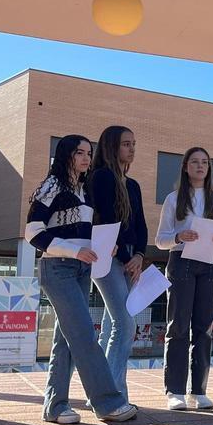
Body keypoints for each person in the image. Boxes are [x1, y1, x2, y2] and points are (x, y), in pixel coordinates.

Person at [25, 135, 137, 425]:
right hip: (57, 269)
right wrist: (75, 250)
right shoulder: (51, 186)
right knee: (85, 333)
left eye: (89, 152)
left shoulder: (84, 190)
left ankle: (55, 406)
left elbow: (83, 232)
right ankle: (108, 402)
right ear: (66, 155)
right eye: (79, 153)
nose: (86, 158)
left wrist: (105, 245)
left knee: (66, 339)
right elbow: (33, 232)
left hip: (80, 269)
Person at [156, 146, 213, 411]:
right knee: (178, 325)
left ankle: (198, 391)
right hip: (181, 261)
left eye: (205, 162)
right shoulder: (174, 199)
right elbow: (160, 240)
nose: (200, 166)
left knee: (204, 326)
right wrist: (179, 236)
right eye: (195, 162)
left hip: (210, 262)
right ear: (186, 167)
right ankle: (174, 390)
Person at [88, 125, 148, 405]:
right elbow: (107, 220)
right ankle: (111, 397)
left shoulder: (133, 184)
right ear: (112, 147)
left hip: (128, 261)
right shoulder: (101, 177)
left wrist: (139, 256)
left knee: (113, 326)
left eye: (134, 144)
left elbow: (140, 226)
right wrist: (127, 257)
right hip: (107, 258)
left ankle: (100, 392)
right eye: (126, 144)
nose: (132, 149)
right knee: (125, 324)